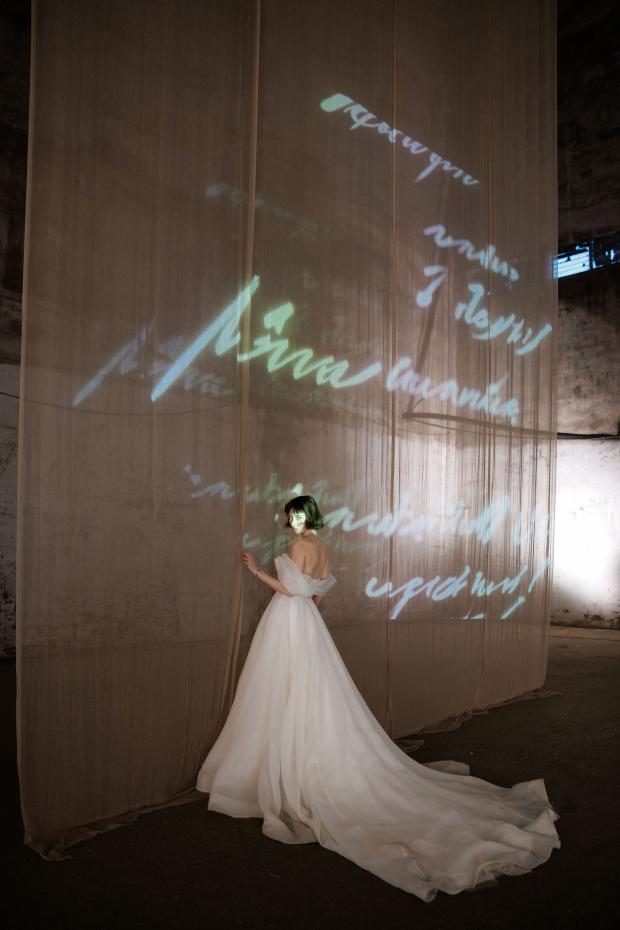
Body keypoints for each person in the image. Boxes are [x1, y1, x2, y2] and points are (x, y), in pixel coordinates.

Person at [196, 495, 560, 902]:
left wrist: (257, 572)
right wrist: (309, 611)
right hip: (308, 622)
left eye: (297, 515)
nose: (292, 521)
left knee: (281, 685)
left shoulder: (300, 546)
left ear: (309, 515)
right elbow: (321, 593)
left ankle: (283, 759)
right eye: (290, 516)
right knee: (309, 687)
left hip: (289, 618)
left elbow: (291, 590)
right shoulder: (323, 547)